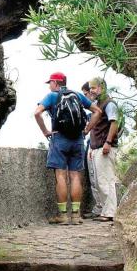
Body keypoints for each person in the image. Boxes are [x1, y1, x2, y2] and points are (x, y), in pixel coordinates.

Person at [34, 72, 101, 225]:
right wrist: (86, 130)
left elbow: (37, 113)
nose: (50, 85)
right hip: (77, 139)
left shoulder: (52, 96)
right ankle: (76, 216)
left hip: (59, 139)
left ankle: (63, 215)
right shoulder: (78, 95)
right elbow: (98, 112)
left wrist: (45, 131)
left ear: (56, 83)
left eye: (50, 82)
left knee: (61, 177)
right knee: (75, 177)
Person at [84, 77, 120, 222]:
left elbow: (114, 123)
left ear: (101, 88)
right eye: (91, 88)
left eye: (93, 88)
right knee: (100, 181)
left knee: (106, 180)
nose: (91, 91)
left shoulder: (109, 104)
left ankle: (110, 212)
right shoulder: (97, 104)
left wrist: (108, 142)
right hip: (96, 146)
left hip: (105, 146)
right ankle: (105, 210)